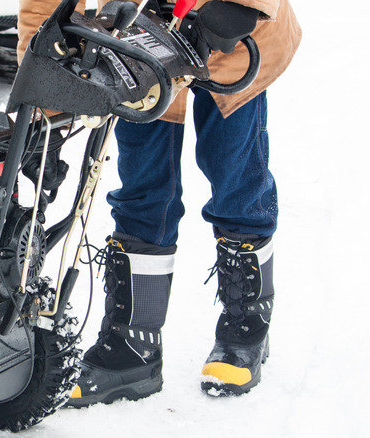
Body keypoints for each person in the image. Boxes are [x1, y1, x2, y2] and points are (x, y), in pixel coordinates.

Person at [16, 0, 301, 404]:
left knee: (234, 176)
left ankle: (246, 328)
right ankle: (133, 345)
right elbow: (43, 12)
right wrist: (45, 106)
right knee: (143, 187)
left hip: (233, 36)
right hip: (139, 47)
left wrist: (240, 7)